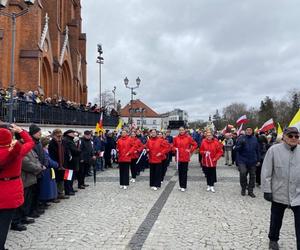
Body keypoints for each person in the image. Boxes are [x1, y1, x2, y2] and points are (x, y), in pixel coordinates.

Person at [261, 127, 300, 250]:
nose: (293, 138)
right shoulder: (273, 150)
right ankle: (273, 239)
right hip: (279, 191)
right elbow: (266, 171)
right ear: (284, 137)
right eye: (290, 136)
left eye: (296, 136)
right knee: (276, 219)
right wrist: (267, 189)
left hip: (298, 193)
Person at [0, 125, 34, 250]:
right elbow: (30, 142)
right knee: (3, 224)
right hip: (10, 191)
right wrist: (20, 131)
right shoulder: (16, 151)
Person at [236, 127, 260, 198]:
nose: (249, 131)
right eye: (247, 130)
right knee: (243, 173)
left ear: (252, 131)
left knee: (252, 176)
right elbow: (236, 149)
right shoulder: (241, 138)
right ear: (245, 131)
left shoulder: (255, 139)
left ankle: (250, 191)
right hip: (242, 160)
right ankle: (243, 188)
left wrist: (258, 160)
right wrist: (241, 145)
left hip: (252, 160)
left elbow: (257, 150)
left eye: (250, 130)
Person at [173, 127, 198, 192]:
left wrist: (190, 150)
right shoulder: (176, 138)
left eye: (182, 130)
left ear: (185, 131)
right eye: (180, 130)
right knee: (179, 172)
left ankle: (184, 186)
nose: (181, 131)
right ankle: (181, 185)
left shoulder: (188, 138)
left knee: (184, 172)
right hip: (178, 157)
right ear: (179, 131)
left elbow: (195, 144)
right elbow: (173, 146)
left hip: (185, 157)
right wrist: (174, 148)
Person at [48, 129, 69, 200]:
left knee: (62, 179)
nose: (59, 137)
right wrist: (56, 164)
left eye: (60, 135)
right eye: (58, 136)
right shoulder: (51, 143)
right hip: (55, 164)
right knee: (55, 180)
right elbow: (51, 155)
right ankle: (55, 195)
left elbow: (66, 152)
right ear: (54, 135)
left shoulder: (63, 142)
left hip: (63, 164)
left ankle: (60, 193)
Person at [62, 130, 81, 195]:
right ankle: (68, 190)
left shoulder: (70, 140)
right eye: (72, 133)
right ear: (68, 134)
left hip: (72, 162)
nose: (74, 134)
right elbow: (73, 150)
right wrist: (79, 151)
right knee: (68, 177)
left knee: (71, 176)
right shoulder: (67, 140)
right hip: (69, 162)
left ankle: (70, 188)